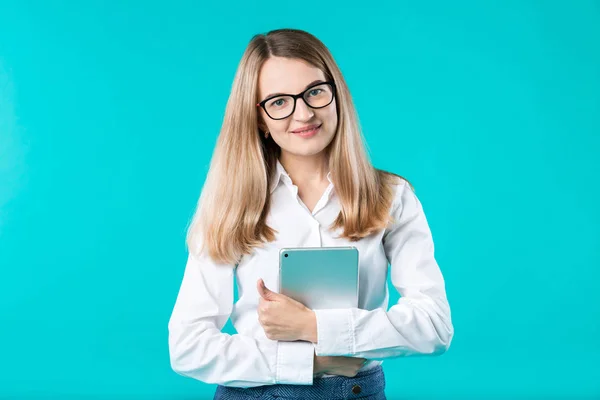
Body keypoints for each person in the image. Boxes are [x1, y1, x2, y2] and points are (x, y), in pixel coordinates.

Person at [167, 28, 454, 400]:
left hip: (358, 392)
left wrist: (314, 325)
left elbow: (434, 325)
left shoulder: (391, 196)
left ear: (336, 94)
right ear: (259, 119)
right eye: (278, 101)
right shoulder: (230, 205)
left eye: (315, 91)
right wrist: (309, 363)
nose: (303, 113)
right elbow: (188, 346)